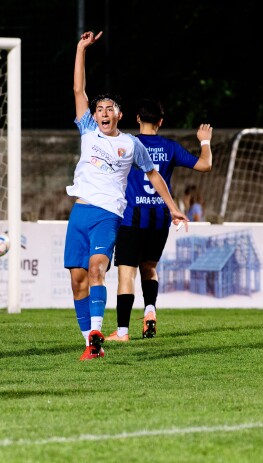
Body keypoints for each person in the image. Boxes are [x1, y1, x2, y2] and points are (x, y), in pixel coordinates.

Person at [67, 31, 187, 360]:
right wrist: (81, 49)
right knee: (77, 280)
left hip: (108, 215)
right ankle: (88, 342)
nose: (103, 112)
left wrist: (174, 208)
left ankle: (96, 333)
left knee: (96, 269)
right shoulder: (88, 131)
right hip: (79, 213)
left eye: (109, 108)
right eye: (99, 108)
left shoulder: (132, 144)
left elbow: (154, 175)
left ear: (119, 114)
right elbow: (79, 89)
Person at [107, 99, 212, 342]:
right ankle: (150, 310)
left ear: (137, 119)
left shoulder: (127, 143)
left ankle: (122, 331)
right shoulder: (170, 147)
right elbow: (205, 165)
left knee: (126, 273)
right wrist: (204, 141)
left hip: (131, 218)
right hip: (159, 219)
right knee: (150, 268)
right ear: (161, 122)